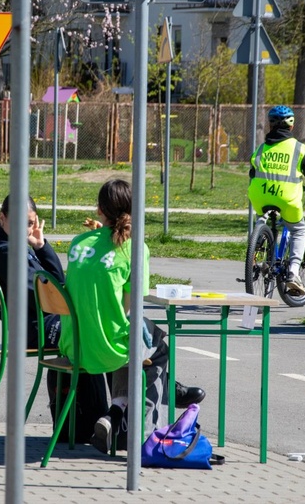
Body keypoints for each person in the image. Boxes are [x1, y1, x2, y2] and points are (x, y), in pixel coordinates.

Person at [62, 179, 205, 454]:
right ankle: (143, 437)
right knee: (155, 346)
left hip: (74, 347)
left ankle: (115, 413)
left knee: (134, 338)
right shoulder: (134, 247)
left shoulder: (78, 243)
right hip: (109, 348)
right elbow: (131, 307)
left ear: (99, 210)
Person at [248, 105, 305, 295]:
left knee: (261, 220)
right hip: (287, 198)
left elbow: (253, 171)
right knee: (299, 230)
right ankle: (293, 272)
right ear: (291, 126)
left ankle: (256, 250)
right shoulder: (299, 149)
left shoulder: (261, 148)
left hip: (260, 195)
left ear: (270, 125)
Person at [0, 194, 64, 349]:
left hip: (42, 322)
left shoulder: (8, 243)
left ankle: (61, 374)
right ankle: (62, 374)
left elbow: (58, 283)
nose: (25, 229)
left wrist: (40, 246)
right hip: (37, 329)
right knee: (93, 333)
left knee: (94, 329)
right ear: (2, 217)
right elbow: (49, 297)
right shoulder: (6, 253)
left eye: (29, 223)